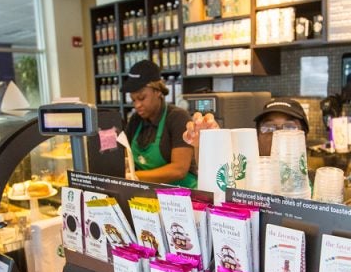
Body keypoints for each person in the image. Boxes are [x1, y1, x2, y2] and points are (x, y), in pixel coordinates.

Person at [121, 60, 197, 188]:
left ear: (158, 91)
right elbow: (125, 157)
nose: (137, 105)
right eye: (133, 100)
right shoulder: (135, 120)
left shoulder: (177, 117)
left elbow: (179, 170)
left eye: (142, 98)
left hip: (182, 196)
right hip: (150, 193)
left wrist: (134, 176)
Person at [184, 97, 310, 156]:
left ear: (304, 137)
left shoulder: (317, 184)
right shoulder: (245, 177)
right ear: (257, 137)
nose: (278, 134)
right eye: (269, 127)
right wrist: (206, 143)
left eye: (289, 127)